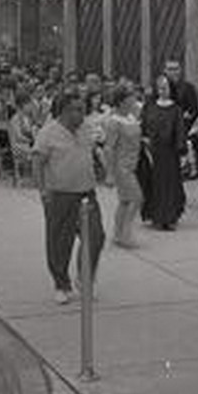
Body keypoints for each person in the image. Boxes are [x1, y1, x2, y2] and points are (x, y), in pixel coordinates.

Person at [33, 89, 106, 304]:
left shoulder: (86, 128)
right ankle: (61, 284)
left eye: (83, 110)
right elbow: (37, 161)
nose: (81, 114)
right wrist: (42, 190)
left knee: (95, 236)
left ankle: (85, 278)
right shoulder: (48, 132)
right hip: (59, 194)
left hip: (86, 192)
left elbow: (95, 150)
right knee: (59, 242)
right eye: (77, 110)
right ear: (64, 111)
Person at [141, 73, 186, 229]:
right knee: (154, 185)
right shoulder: (150, 107)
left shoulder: (176, 109)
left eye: (165, 87)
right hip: (152, 152)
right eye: (160, 87)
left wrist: (182, 152)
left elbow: (180, 131)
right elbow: (143, 126)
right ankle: (157, 217)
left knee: (170, 186)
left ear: (170, 88)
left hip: (170, 153)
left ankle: (170, 217)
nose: (162, 90)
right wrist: (144, 139)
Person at [103, 83, 143, 247]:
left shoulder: (131, 117)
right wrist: (110, 173)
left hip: (132, 164)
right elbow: (108, 148)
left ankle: (118, 234)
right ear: (122, 101)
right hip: (121, 166)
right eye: (130, 97)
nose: (134, 99)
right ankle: (126, 234)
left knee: (125, 201)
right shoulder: (114, 121)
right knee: (136, 198)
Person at [165, 58, 198, 176]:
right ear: (165, 70)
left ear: (180, 70)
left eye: (176, 69)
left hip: (184, 127)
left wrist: (184, 117)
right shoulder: (160, 88)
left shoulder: (188, 88)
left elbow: (194, 111)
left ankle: (186, 168)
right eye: (170, 69)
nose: (173, 72)